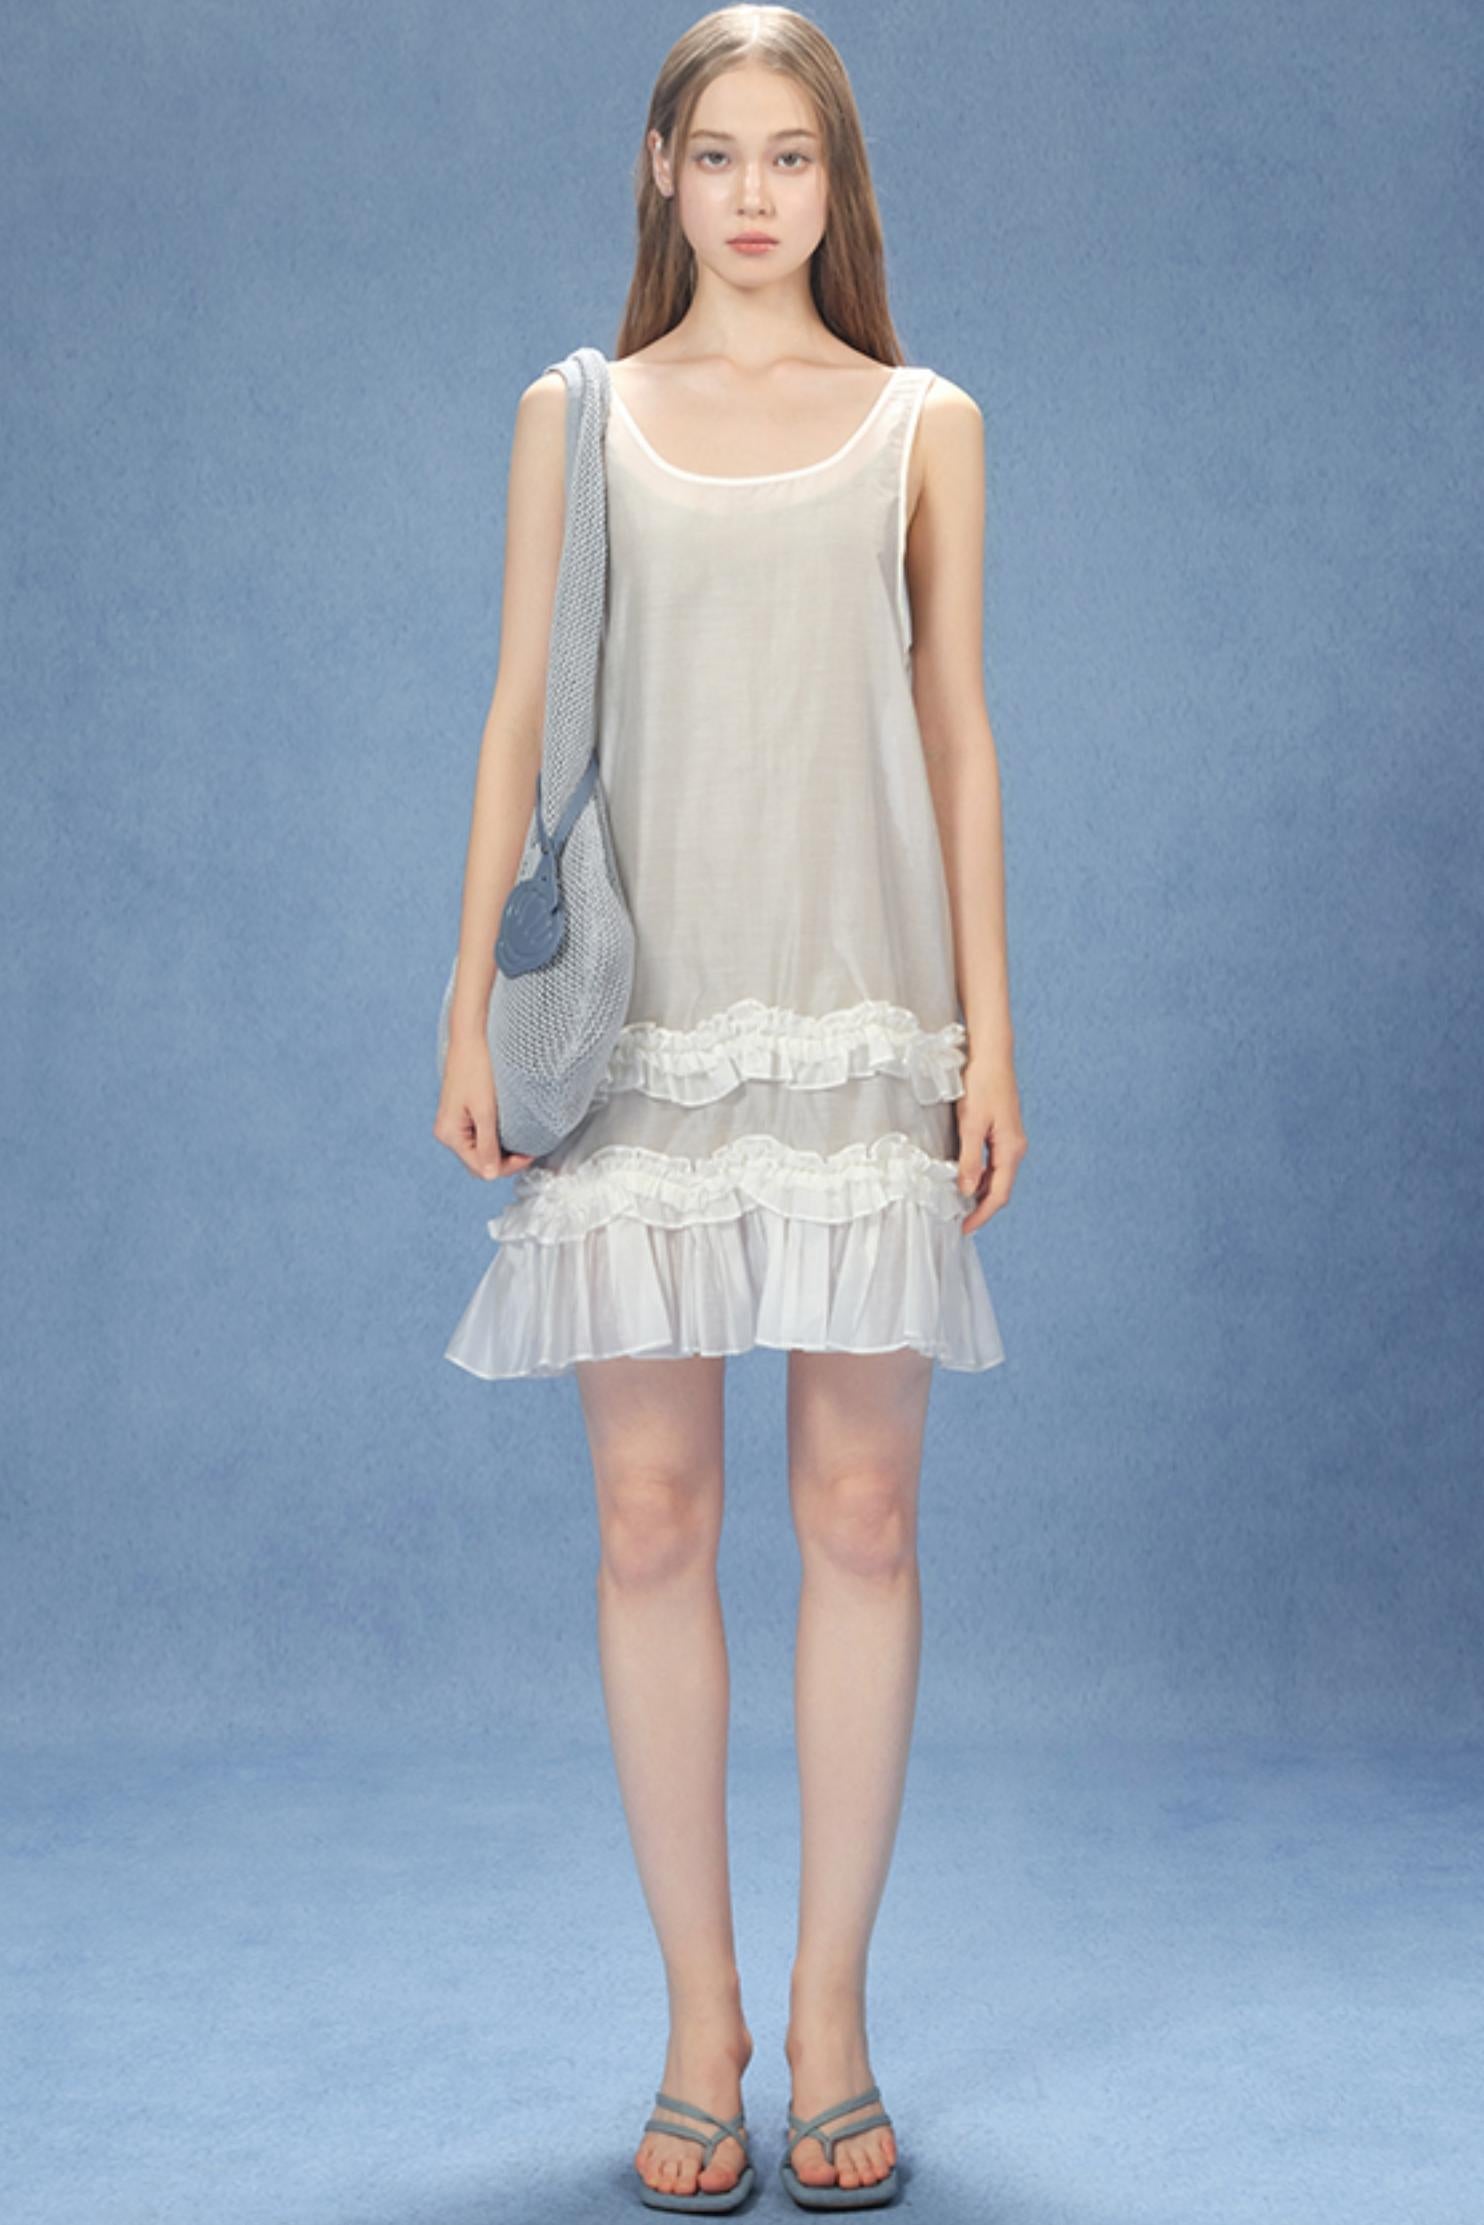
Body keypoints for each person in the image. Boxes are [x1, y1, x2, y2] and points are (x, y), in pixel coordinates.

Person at [433, 8, 1027, 2209]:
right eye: (717, 153)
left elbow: (958, 733)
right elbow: (515, 715)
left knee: (860, 1514)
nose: (754, 193)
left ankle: (835, 2016)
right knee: (650, 1516)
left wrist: (990, 1034)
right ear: (660, 175)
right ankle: (702, 2023)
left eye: (792, 155)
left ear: (833, 182)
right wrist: (464, 1011)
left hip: (864, 1009)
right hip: (640, 1023)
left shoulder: (924, 423)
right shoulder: (574, 416)